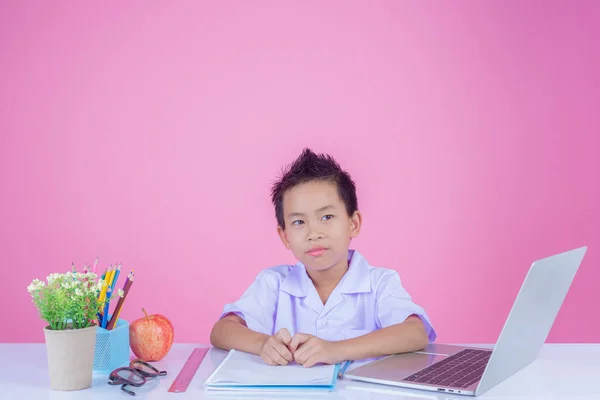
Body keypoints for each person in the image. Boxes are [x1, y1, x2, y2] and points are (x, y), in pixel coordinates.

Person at [210, 148, 436, 368]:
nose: (313, 233)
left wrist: (335, 349)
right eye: (299, 222)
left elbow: (415, 333)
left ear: (353, 224)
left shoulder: (379, 282)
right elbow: (221, 331)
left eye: (326, 216)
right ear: (285, 236)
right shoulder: (274, 283)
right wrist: (262, 344)